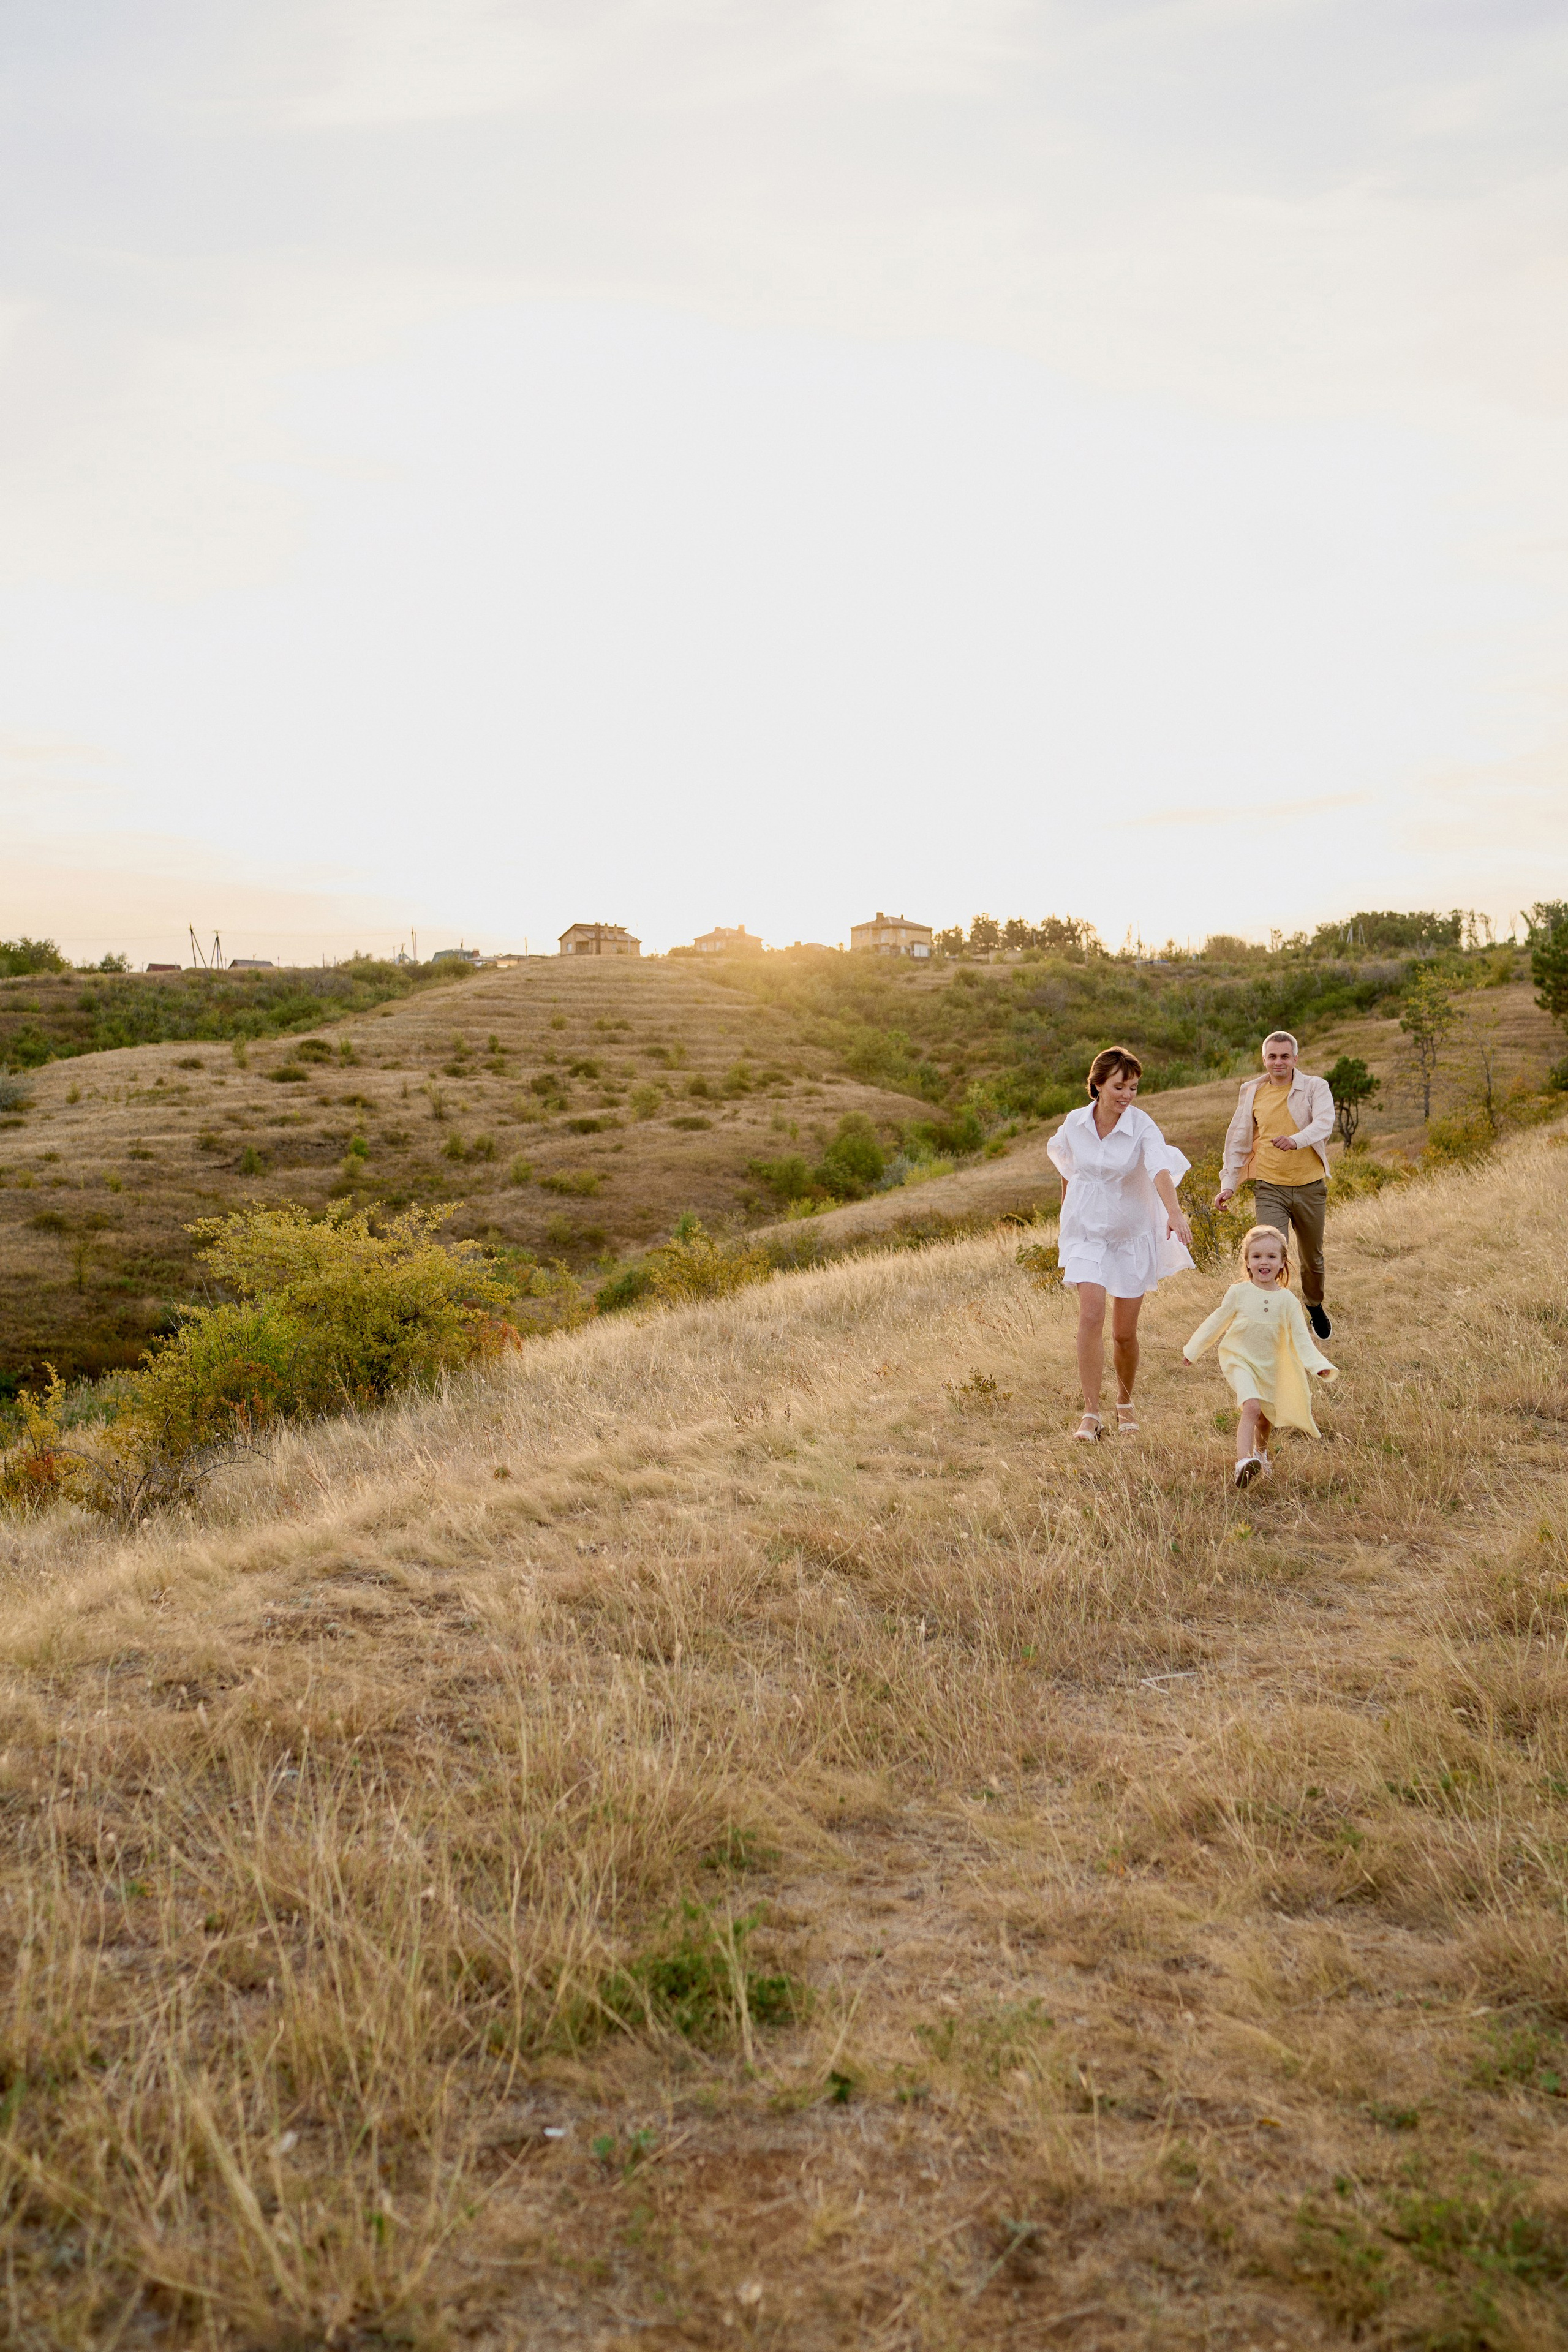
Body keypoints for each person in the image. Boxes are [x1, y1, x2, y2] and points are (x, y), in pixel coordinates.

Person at [1047, 1046, 1194, 1442]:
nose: (1127, 1095)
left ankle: (1125, 1402)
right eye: (1119, 1086)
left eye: (1133, 1087)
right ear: (1097, 1085)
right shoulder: (1075, 1123)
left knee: (1123, 1335)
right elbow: (1066, 1164)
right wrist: (1066, 1211)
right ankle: (1090, 1414)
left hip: (1129, 1238)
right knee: (1090, 1316)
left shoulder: (1143, 1126)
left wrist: (1175, 1214)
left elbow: (1160, 1169)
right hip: (1086, 1234)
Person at [1182, 1224, 1338, 1487]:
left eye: (1271, 1257)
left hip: (1270, 1366)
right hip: (1239, 1360)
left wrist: (1317, 1366)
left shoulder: (1288, 1301)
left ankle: (1260, 1454)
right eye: (1256, 1257)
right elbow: (1216, 1321)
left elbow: (1301, 1339)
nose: (1263, 1262)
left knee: (1264, 1419)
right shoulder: (1238, 1293)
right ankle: (1242, 1463)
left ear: (1282, 1263)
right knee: (1252, 1407)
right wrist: (1193, 1350)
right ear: (1247, 1262)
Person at [1216, 1030, 1336, 1338]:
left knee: (1313, 1259)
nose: (1278, 1062)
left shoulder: (1314, 1087)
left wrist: (1295, 1141)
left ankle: (1314, 1305)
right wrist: (1229, 1183)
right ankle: (1275, 1321)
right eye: (1272, 1056)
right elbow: (1238, 1143)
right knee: (1268, 1252)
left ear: (1295, 1059)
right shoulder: (1253, 1093)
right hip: (1270, 1187)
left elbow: (1324, 1123)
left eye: (1285, 1056)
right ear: (1264, 1059)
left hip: (1310, 1186)